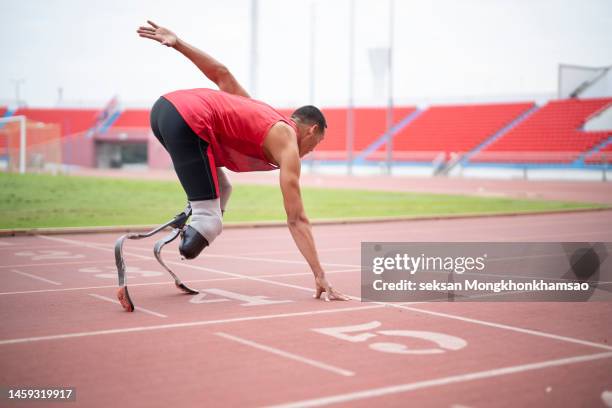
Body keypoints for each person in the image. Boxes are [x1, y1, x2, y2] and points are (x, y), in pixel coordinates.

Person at [137, 20, 349, 302]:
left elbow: (221, 74)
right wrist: (319, 273)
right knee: (210, 222)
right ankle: (198, 224)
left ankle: (194, 215)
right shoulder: (287, 143)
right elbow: (297, 219)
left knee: (223, 190)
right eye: (316, 143)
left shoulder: (255, 110)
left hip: (163, 111)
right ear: (311, 130)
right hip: (189, 119)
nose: (310, 151)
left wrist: (178, 43)